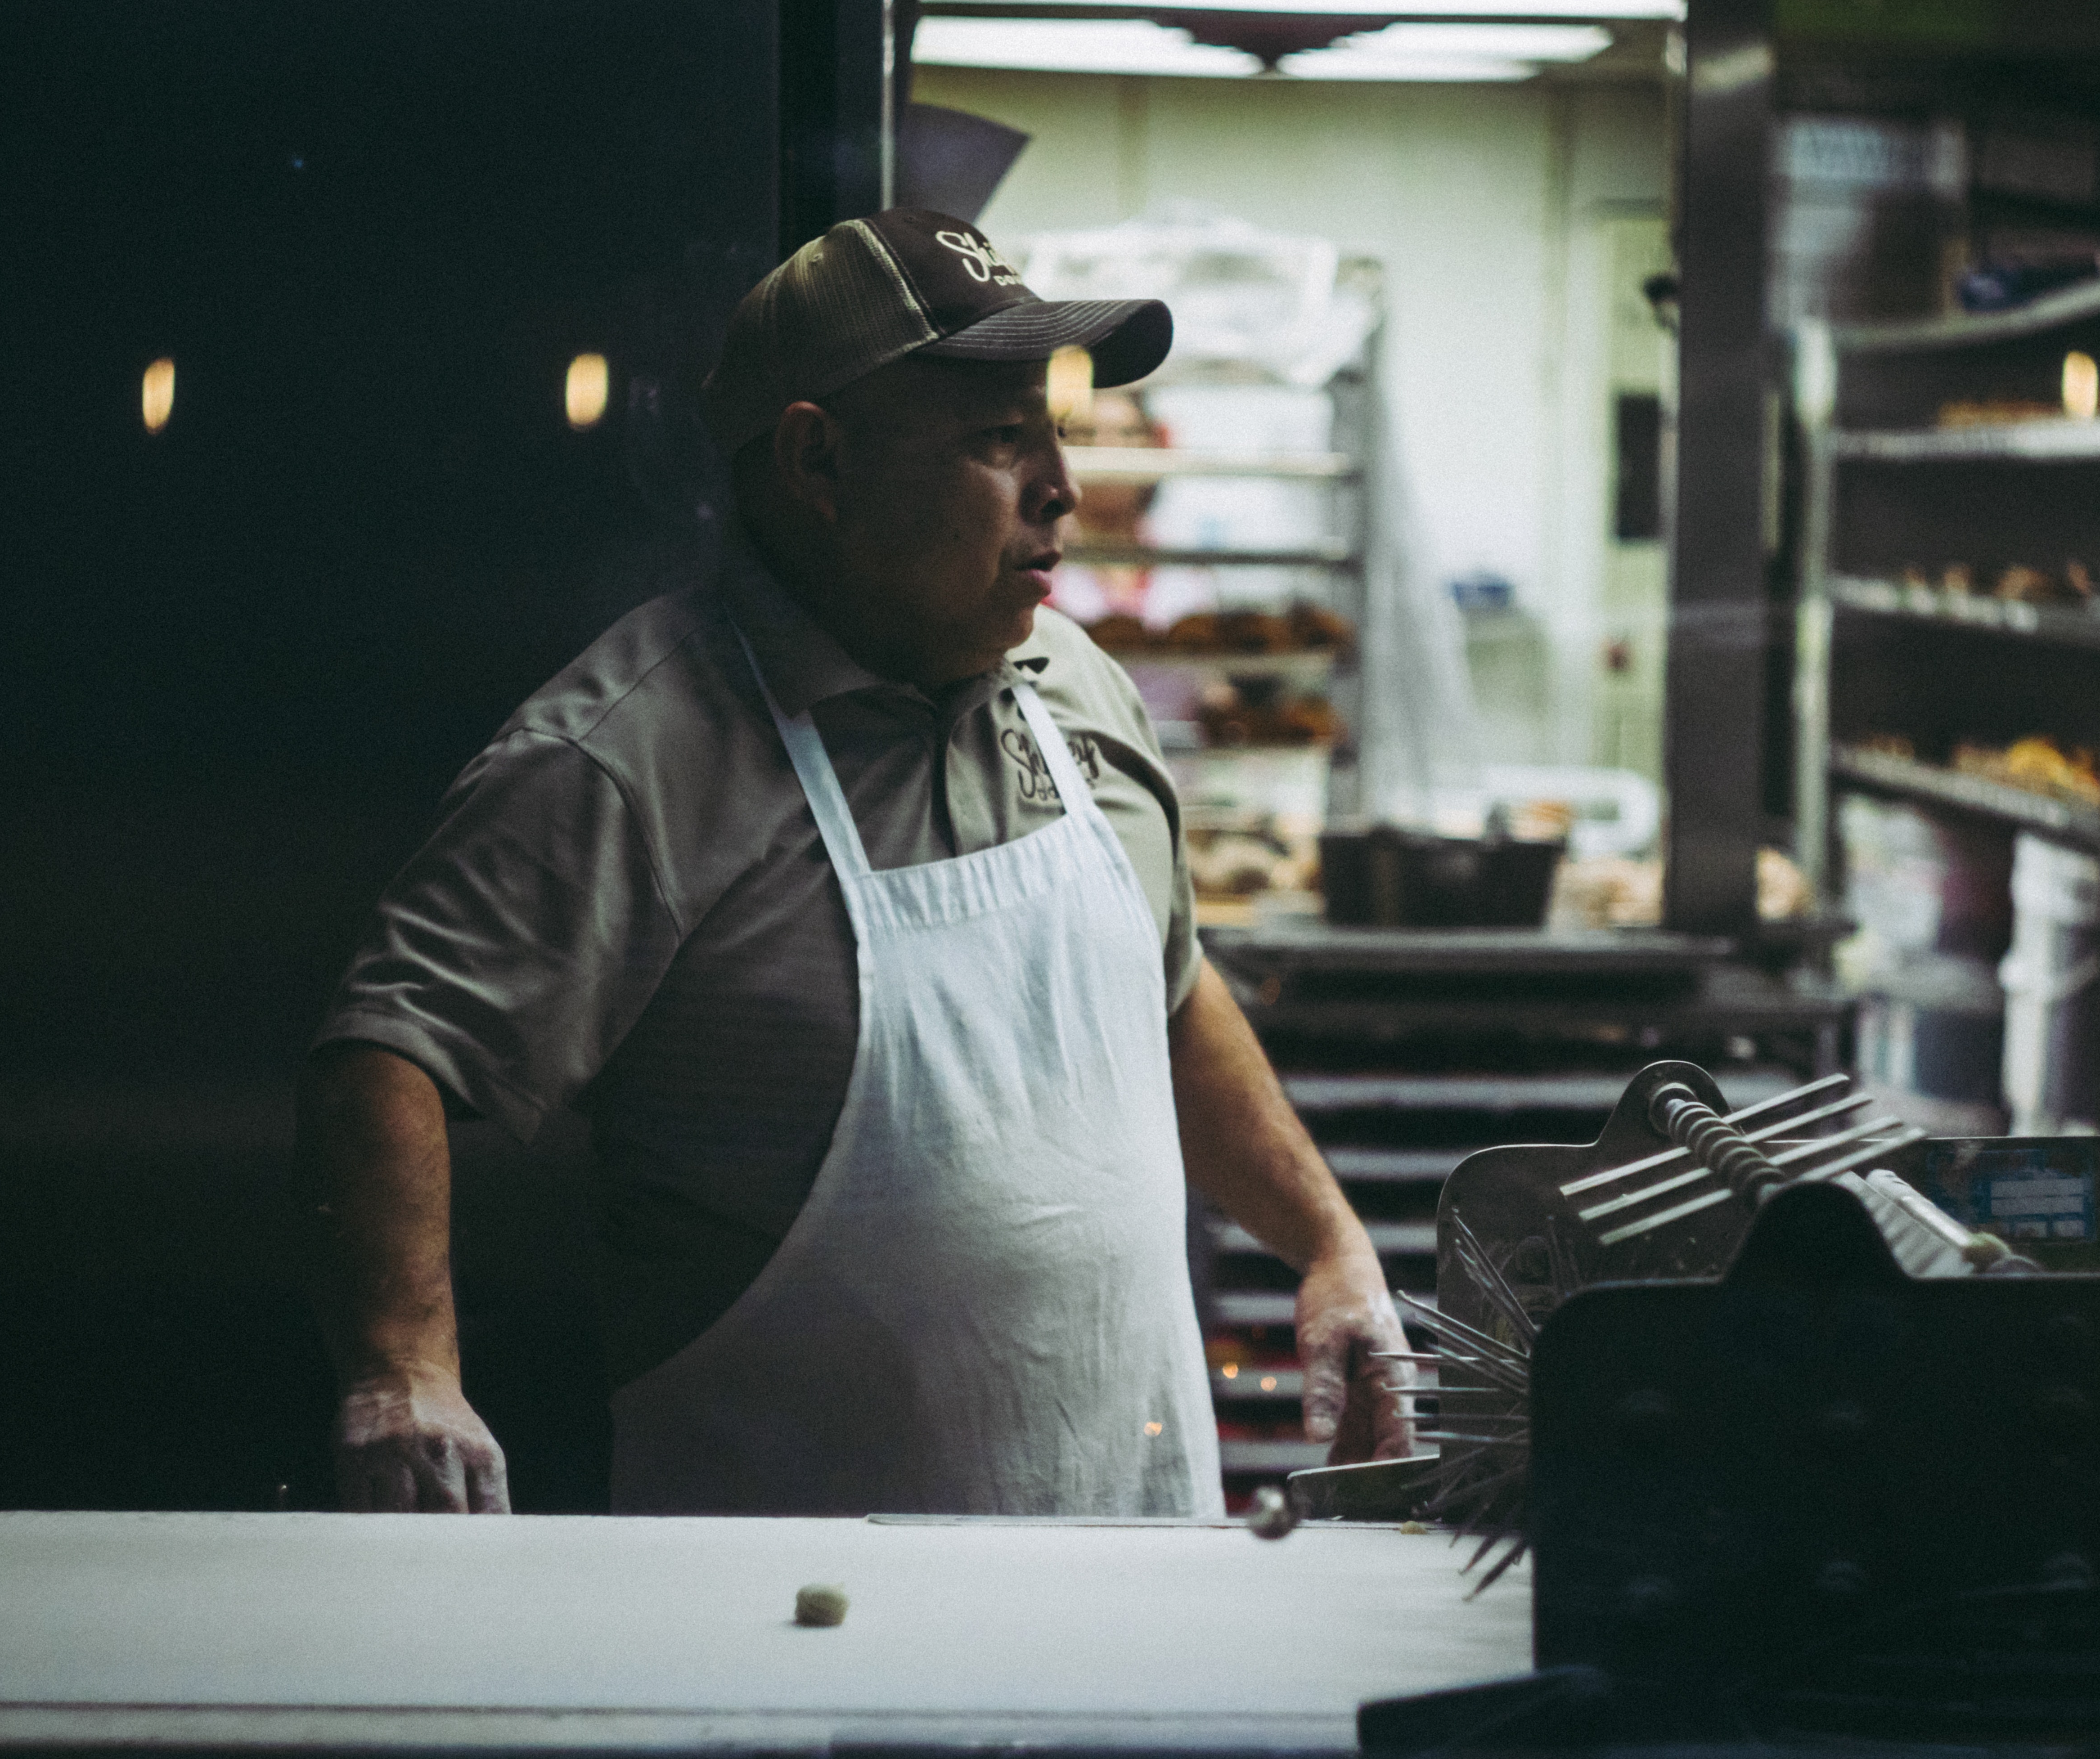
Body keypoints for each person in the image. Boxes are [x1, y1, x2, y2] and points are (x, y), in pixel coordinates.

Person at [293, 208, 1414, 1516]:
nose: (1062, 484)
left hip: (1129, 1539)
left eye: (1050, 429)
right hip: (784, 1599)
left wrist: (1328, 1245)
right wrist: (403, 1369)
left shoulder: (1075, 687)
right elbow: (390, 1049)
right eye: (1001, 440)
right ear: (819, 462)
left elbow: (1164, 993)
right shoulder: (633, 752)